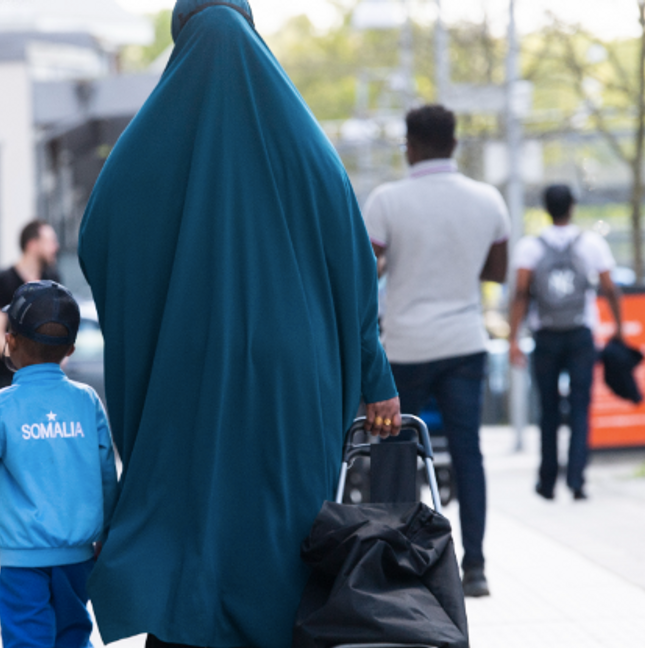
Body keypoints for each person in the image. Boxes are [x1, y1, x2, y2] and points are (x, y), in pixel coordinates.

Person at [76, 2, 401, 647]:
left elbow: (99, 240)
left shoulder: (144, 149)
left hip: (183, 371)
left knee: (188, 507)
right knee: (282, 520)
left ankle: (185, 631)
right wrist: (376, 377)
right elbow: (355, 267)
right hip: (293, 379)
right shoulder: (308, 147)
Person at [363, 104, 509, 598]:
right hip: (466, 343)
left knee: (393, 453)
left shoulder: (388, 200)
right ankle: (476, 566)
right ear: (454, 142)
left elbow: (365, 271)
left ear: (412, 144)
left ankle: (395, 564)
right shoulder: (487, 199)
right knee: (468, 453)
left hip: (405, 347)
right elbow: (496, 271)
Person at [0, 281, 118, 648]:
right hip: (78, 559)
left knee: (27, 640)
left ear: (11, 341)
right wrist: (108, 532)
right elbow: (106, 476)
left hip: (23, 564)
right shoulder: (87, 402)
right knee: (73, 636)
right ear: (70, 350)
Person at [508, 184, 623, 502]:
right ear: (572, 206)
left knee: (547, 409)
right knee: (580, 408)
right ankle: (576, 480)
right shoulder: (591, 244)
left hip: (544, 334)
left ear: (546, 207)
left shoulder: (530, 247)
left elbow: (519, 293)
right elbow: (610, 288)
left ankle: (546, 482)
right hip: (580, 335)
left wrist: (513, 339)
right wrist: (619, 328)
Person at [0, 220, 61, 357]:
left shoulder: (52, 278)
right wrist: (23, 362)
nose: (55, 247)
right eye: (50, 242)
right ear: (32, 245)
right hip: (9, 371)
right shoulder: (4, 280)